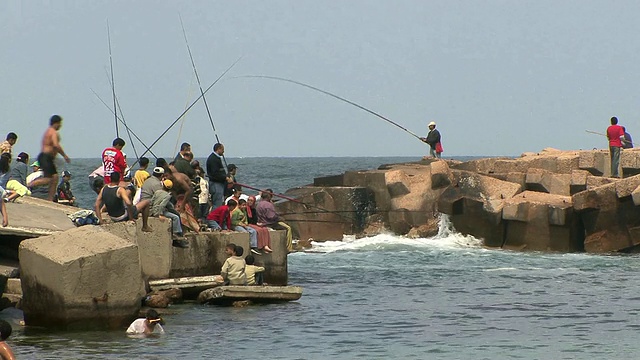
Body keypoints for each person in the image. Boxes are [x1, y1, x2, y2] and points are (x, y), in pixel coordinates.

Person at [30, 115, 71, 201]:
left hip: (46, 157)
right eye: (60, 123)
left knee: (55, 177)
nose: (60, 126)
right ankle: (28, 185)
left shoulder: (48, 131)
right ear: (56, 123)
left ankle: (50, 199)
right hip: (46, 157)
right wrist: (65, 156)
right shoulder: (53, 132)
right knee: (49, 179)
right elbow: (56, 145)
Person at [150, 179, 188, 248]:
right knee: (175, 217)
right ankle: (177, 233)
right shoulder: (167, 195)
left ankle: (179, 233)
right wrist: (160, 214)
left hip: (153, 210)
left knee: (176, 214)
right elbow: (162, 205)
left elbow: (152, 201)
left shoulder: (157, 192)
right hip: (159, 211)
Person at [137, 166, 165, 232]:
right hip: (150, 209)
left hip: (143, 206)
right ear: (162, 175)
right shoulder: (157, 184)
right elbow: (160, 199)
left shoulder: (147, 181)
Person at [206, 143, 230, 209]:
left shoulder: (216, 158)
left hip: (219, 184)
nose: (223, 152)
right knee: (217, 203)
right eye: (222, 150)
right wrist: (225, 178)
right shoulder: (213, 159)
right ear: (218, 149)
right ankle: (214, 218)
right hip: (216, 184)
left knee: (218, 202)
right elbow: (215, 173)